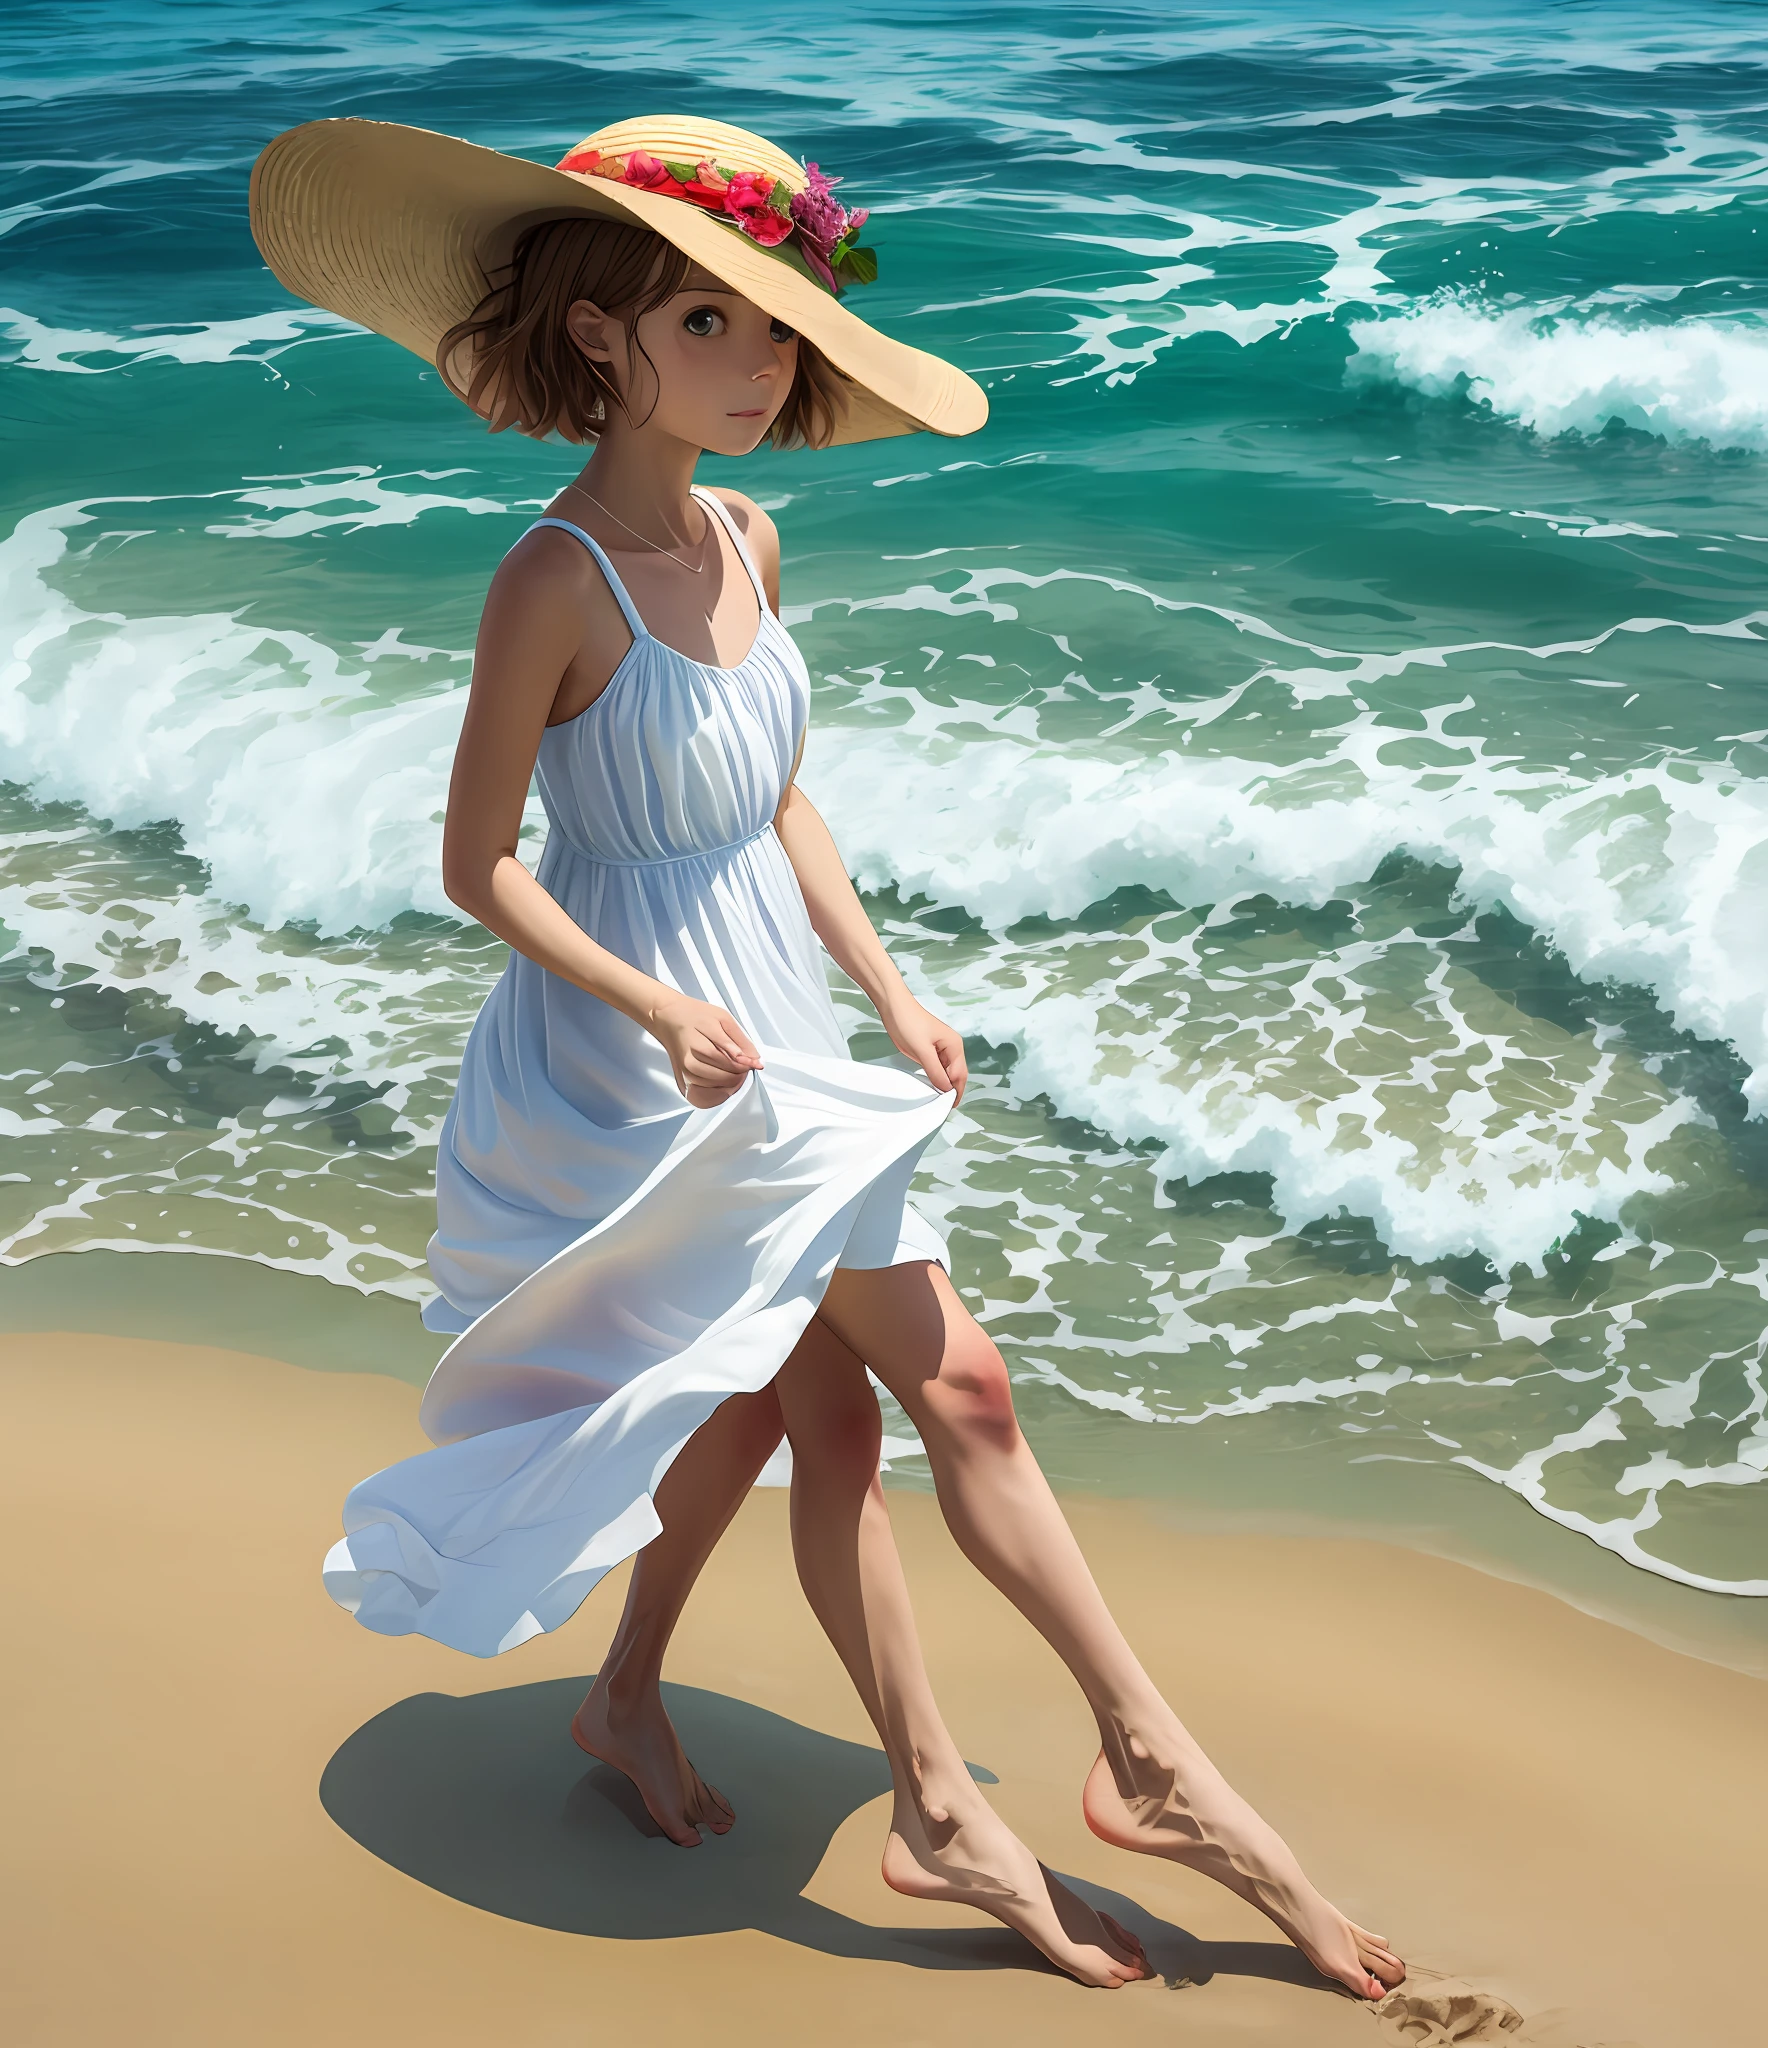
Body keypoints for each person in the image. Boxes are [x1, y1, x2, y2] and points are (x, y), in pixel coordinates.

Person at [251, 111, 1403, 2000]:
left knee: (828, 1410)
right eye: (712, 320)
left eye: (777, 329)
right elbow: (475, 871)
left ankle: (681, 1715)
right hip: (646, 1060)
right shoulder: (551, 582)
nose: (762, 363)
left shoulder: (746, 533)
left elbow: (779, 800)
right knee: (929, 1397)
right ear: (607, 337)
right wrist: (658, 1009)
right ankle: (1068, 1778)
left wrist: (883, 984)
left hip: (777, 1021)